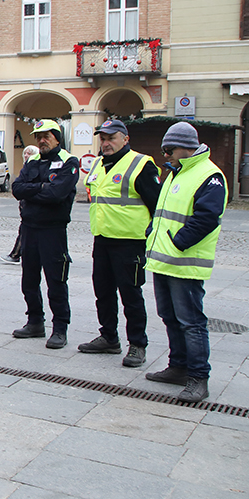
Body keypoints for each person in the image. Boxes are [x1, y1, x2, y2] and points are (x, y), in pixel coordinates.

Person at [145, 121, 227, 403]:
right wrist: (152, 234)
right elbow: (163, 212)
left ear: (186, 147)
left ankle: (198, 377)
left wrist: (177, 242)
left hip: (185, 263)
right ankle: (178, 367)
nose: (165, 154)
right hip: (163, 261)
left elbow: (206, 218)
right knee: (169, 317)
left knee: (191, 322)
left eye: (169, 149)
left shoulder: (209, 175)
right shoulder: (175, 172)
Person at [77, 119, 161, 367]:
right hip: (102, 239)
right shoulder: (99, 165)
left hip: (130, 242)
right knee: (103, 293)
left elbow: (156, 205)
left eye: (111, 137)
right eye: (102, 138)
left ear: (125, 139)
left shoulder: (141, 164)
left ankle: (137, 344)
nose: (105, 143)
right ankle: (109, 337)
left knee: (131, 295)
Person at [10, 120, 80, 349]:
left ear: (57, 138)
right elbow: (17, 189)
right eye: (38, 136)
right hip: (29, 228)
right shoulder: (33, 161)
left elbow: (58, 194)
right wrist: (41, 188)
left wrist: (35, 191)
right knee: (29, 280)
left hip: (53, 230)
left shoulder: (69, 161)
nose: (41, 140)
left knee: (56, 281)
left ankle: (60, 328)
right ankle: (35, 322)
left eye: (46, 136)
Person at [1, 144, 40, 264]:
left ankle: (15, 254)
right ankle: (16, 254)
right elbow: (18, 188)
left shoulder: (36, 167)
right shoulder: (25, 167)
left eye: (29, 153)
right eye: (25, 153)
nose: (26, 155)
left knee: (25, 231)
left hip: (33, 208)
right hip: (25, 205)